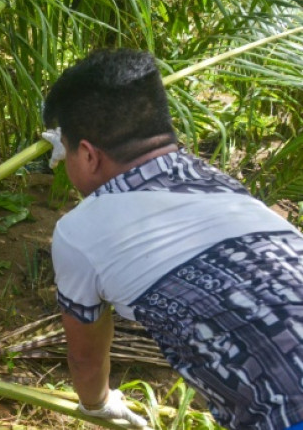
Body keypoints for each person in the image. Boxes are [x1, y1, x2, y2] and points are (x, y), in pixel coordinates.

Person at [42, 49, 303, 430]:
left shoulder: (78, 233)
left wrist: (97, 405)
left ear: (87, 154)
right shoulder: (223, 186)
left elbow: (85, 359)